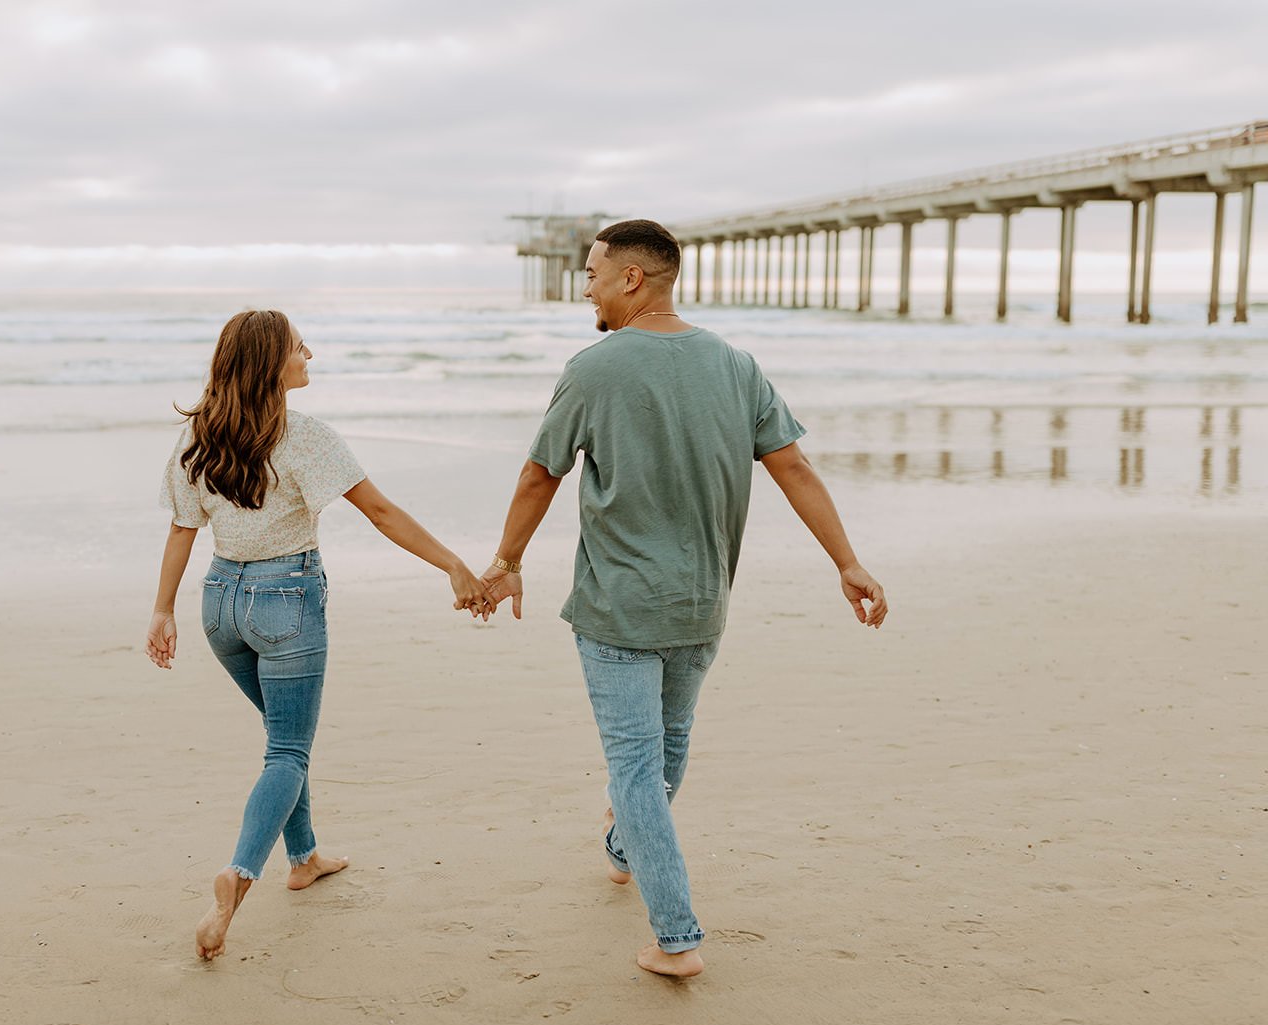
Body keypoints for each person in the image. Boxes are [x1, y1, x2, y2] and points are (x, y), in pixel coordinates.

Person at [478, 220, 888, 978]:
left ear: (633, 278)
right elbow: (792, 467)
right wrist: (848, 561)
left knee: (637, 767)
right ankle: (621, 845)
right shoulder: (735, 365)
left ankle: (677, 938)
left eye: (595, 272)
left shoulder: (593, 369)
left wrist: (506, 560)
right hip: (703, 603)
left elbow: (542, 474)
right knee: (664, 752)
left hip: (617, 608)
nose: (587, 286)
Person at [145, 309, 494, 961]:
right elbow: (381, 511)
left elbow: (181, 530)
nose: (310, 353)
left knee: (285, 738)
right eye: (298, 346)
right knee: (287, 750)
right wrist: (453, 564)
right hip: (285, 600)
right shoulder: (305, 436)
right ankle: (241, 874)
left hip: (219, 603)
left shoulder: (199, 437)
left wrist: (162, 610)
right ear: (268, 364)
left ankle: (303, 857)